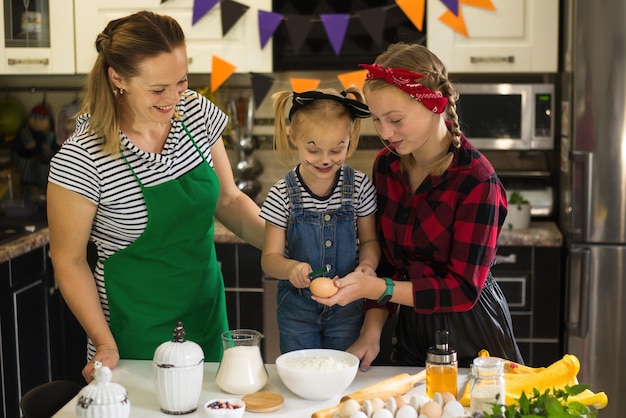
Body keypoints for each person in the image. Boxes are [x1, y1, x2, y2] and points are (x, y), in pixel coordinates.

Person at [47, 10, 264, 383]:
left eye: (181, 82)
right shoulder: (82, 157)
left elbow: (228, 201)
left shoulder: (194, 113)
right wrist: (104, 342)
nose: (174, 98)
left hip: (207, 320)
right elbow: (68, 262)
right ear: (118, 78)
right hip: (132, 339)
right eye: (158, 89)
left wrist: (287, 248)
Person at [314, 43, 524, 370]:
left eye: (395, 119)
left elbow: (462, 290)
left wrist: (379, 287)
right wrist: (371, 332)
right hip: (411, 332)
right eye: (378, 120)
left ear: (435, 105)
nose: (385, 133)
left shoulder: (477, 182)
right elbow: (389, 262)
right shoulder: (387, 166)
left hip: (474, 338)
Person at [260, 87, 380, 353]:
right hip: (297, 313)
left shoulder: (359, 186)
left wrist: (367, 266)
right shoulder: (282, 194)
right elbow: (269, 258)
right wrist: (289, 268)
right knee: (302, 376)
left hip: (347, 309)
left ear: (351, 138)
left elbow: (370, 240)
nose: (325, 160)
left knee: (344, 380)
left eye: (337, 150)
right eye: (313, 150)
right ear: (294, 137)